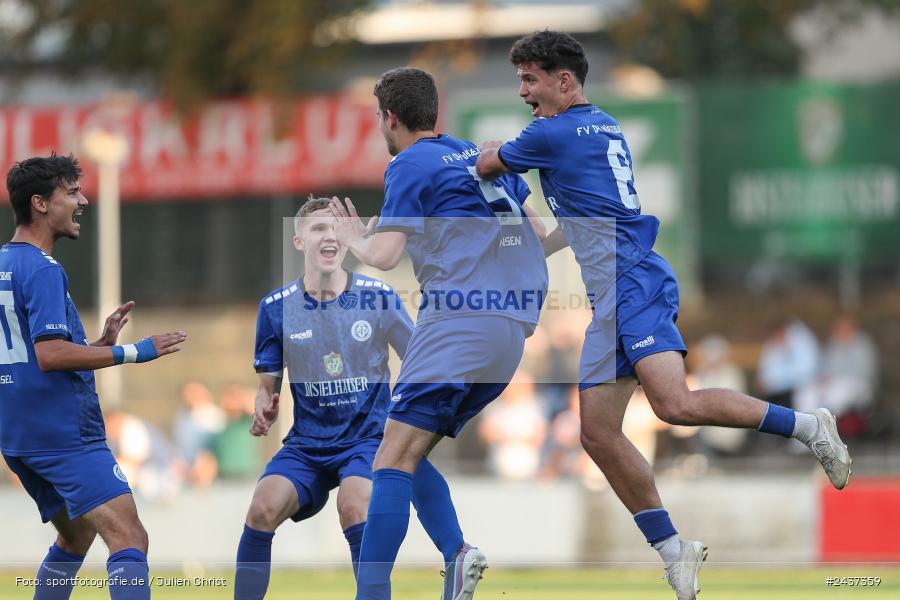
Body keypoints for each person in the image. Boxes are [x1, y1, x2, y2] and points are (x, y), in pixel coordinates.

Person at [475, 30, 852, 600]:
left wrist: (465, 155)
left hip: (633, 281)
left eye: (530, 80)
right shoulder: (598, 124)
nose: (523, 92)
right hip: (612, 293)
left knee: (674, 404)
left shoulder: (552, 132)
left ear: (564, 80)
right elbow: (580, 222)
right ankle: (675, 551)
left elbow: (485, 165)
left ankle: (807, 426)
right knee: (597, 434)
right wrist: (529, 248)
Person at [329, 67, 548, 600]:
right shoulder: (478, 154)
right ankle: (456, 554)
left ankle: (372, 592)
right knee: (408, 451)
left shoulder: (408, 163)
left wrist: (353, 238)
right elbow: (539, 232)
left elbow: (385, 255)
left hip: (457, 322)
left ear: (390, 118)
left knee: (388, 460)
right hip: (509, 334)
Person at [234, 197, 469, 599]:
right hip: (307, 445)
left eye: (335, 229)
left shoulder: (378, 297)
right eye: (318, 229)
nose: (329, 236)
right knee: (261, 508)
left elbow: (418, 359)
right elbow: (266, 387)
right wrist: (263, 408)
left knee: (354, 506)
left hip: (368, 440)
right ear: (299, 241)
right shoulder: (275, 308)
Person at [0, 154, 186, 599]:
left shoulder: (4, 262)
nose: (82, 201)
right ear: (40, 203)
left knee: (77, 536)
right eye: (71, 193)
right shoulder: (42, 268)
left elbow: (26, 351)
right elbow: (49, 355)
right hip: (63, 433)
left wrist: (97, 345)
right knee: (129, 536)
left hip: (18, 434)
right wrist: (133, 351)